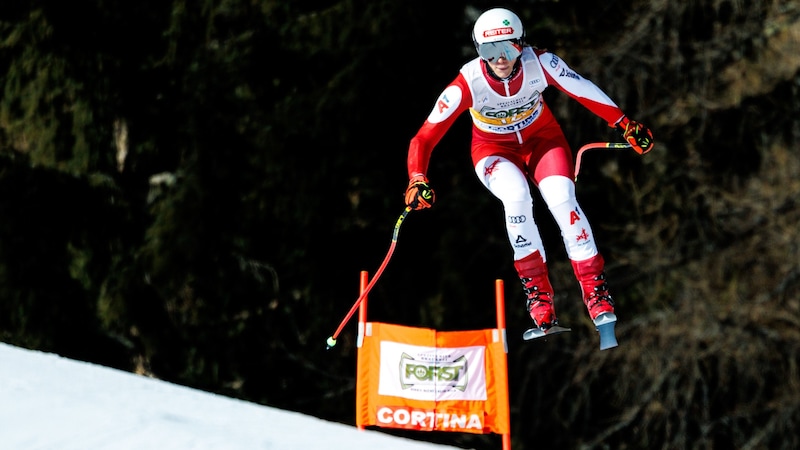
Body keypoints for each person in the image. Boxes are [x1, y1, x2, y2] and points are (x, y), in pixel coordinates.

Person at [403, 7, 654, 336]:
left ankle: (595, 292)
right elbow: (424, 137)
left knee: (562, 199)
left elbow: (583, 89)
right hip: (494, 151)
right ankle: (538, 295)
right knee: (516, 198)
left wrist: (623, 123)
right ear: (479, 52)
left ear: (522, 44)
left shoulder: (542, 63)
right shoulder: (468, 81)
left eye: (509, 48)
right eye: (490, 51)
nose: (501, 59)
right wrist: (417, 177)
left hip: (542, 140)